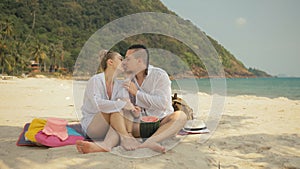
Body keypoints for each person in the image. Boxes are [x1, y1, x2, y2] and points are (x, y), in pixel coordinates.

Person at [123, 44, 187, 153]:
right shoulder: (129, 78)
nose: (124, 62)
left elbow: (163, 103)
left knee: (181, 116)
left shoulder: (160, 75)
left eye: (128, 59)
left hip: (162, 122)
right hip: (139, 124)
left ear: (139, 61)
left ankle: (151, 141)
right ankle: (152, 139)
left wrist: (137, 93)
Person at [76, 50, 141, 154]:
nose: (123, 62)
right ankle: (126, 137)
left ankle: (106, 145)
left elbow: (127, 104)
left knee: (120, 110)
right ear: (110, 62)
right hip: (93, 126)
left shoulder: (120, 84)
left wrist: (134, 110)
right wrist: (124, 104)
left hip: (112, 126)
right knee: (117, 108)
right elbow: (97, 104)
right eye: (120, 59)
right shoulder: (95, 80)